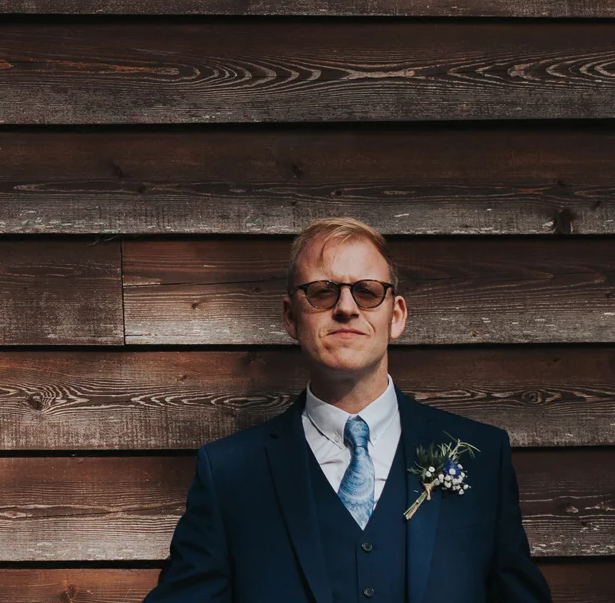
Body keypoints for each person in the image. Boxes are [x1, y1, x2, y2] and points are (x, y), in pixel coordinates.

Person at [144, 217, 550, 603]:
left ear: (396, 316)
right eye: (322, 291)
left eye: (368, 291)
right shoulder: (229, 472)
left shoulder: (483, 455)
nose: (346, 307)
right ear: (291, 316)